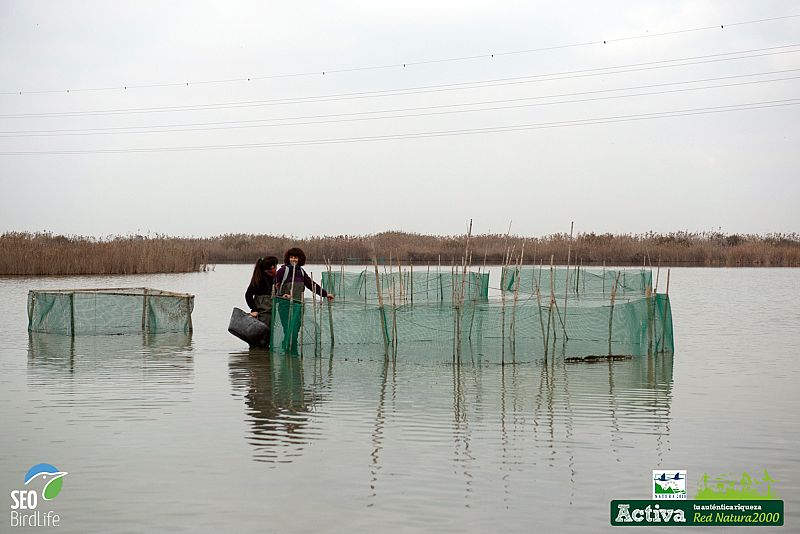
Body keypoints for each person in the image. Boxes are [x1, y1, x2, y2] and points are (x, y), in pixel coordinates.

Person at [273, 247, 333, 352]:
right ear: (288, 258)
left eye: (296, 258)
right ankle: (287, 352)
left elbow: (311, 285)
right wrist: (282, 296)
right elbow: (273, 286)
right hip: (285, 306)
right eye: (291, 257)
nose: (293, 260)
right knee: (288, 329)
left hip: (298, 307)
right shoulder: (283, 270)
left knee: (295, 331)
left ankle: (292, 351)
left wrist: (325, 294)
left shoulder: (301, 271)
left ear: (300, 259)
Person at [245, 256, 279, 345]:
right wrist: (254, 310)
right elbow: (248, 295)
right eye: (275, 266)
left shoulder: (273, 279)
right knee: (261, 339)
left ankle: (261, 356)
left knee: (267, 338)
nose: (276, 268)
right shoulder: (260, 279)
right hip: (263, 315)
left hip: (271, 314)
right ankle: (259, 355)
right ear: (271, 267)